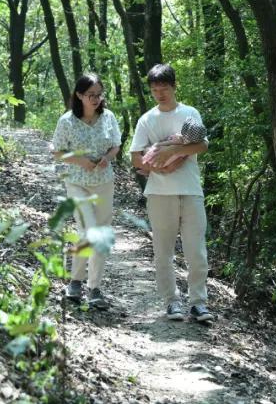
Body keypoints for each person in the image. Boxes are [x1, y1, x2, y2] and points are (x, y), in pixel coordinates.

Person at [129, 63, 214, 322]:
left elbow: (203, 145)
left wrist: (173, 150)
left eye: (164, 88)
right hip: (159, 193)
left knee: (196, 252)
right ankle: (172, 302)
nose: (159, 94)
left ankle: (198, 303)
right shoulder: (147, 119)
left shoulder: (190, 113)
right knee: (163, 251)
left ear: (175, 86)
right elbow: (135, 157)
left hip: (191, 190)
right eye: (154, 90)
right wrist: (160, 166)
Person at [51, 72, 121, 310]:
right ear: (79, 95)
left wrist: (106, 158)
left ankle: (94, 288)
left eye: (99, 94)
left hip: (104, 182)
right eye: (91, 95)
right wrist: (81, 160)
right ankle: (75, 282)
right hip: (77, 182)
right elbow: (58, 151)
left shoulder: (108, 117)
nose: (96, 99)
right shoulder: (67, 121)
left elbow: (116, 145)